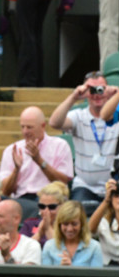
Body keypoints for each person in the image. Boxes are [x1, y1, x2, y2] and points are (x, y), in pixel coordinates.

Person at [48, 71, 119, 205]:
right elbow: (54, 123)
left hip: (114, 185)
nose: (97, 94)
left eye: (101, 89)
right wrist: (74, 97)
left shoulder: (116, 116)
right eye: (91, 89)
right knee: (78, 214)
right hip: (85, 187)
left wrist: (116, 95)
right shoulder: (79, 116)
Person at [0, 106, 74, 216]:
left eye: (29, 127)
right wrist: (16, 170)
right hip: (21, 199)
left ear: (43, 126)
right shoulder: (12, 150)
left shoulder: (60, 145)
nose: (25, 132)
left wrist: (39, 160)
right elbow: (5, 191)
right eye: (22, 127)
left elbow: (62, 182)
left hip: (48, 199)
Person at [42, 200, 104, 266]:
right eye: (65, 224)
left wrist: (72, 270)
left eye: (74, 224)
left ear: (82, 224)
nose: (70, 229)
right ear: (59, 224)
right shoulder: (49, 246)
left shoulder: (94, 247)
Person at [21, 181, 70, 246]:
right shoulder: (30, 224)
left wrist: (47, 228)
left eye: (51, 207)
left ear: (63, 206)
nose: (46, 211)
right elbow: (22, 249)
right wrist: (39, 234)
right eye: (42, 206)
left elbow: (61, 249)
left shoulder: (69, 226)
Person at [88, 178, 119, 266]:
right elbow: (89, 230)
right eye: (116, 195)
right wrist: (106, 201)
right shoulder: (104, 222)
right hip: (106, 269)